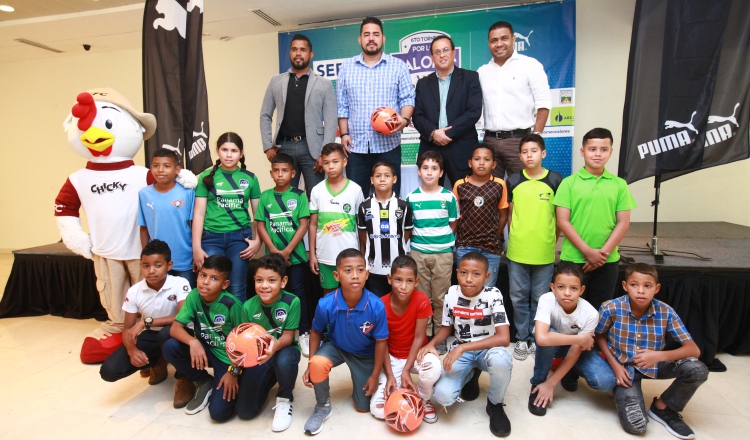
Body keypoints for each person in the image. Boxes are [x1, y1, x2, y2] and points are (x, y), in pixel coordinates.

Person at [596, 263, 708, 439]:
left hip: (655, 364)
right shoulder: (611, 308)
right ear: (625, 286)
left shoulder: (666, 312)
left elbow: (693, 349)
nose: (641, 291)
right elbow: (598, 336)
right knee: (636, 427)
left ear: (656, 289)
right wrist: (615, 366)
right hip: (626, 370)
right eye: (634, 285)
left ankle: (663, 408)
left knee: (697, 369)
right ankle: (625, 394)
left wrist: (658, 356)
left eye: (647, 286)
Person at [422, 252, 513, 437]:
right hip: (463, 350)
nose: (469, 279)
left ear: (487, 277)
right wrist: (430, 344)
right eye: (463, 272)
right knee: (443, 396)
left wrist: (463, 347)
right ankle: (471, 375)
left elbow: (504, 338)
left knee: (502, 360)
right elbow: (446, 328)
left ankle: (495, 405)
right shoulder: (452, 293)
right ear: (457, 273)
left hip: (487, 350)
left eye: (476, 274)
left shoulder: (493, 294)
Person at [302, 249, 388, 435]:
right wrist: (310, 365)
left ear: (367, 274)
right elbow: (316, 332)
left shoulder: (376, 306)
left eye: (359, 270)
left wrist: (374, 374)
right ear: (336, 275)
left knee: (363, 407)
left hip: (364, 354)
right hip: (337, 347)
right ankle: (322, 405)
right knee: (317, 363)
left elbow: (381, 342)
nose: (354, 275)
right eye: (348, 270)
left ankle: (373, 379)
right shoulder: (326, 303)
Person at [99, 240, 192, 406]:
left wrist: (145, 322)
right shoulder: (134, 291)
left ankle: (185, 376)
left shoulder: (180, 283)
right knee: (109, 371)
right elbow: (127, 328)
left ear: (169, 265)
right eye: (146, 266)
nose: (151, 271)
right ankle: (157, 361)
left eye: (158, 265)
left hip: (179, 333)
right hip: (152, 335)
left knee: (166, 333)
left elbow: (182, 316)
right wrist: (132, 350)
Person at [553, 128, 637, 313]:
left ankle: (596, 343)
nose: (598, 154)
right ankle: (572, 343)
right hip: (574, 259)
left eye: (604, 149)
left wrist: (601, 255)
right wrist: (587, 251)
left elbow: (623, 223)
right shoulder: (569, 183)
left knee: (602, 309)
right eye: (592, 149)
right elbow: (563, 221)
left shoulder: (619, 185)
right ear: (583, 151)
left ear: (611, 152)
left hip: (607, 261)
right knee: (569, 309)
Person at [337, 16, 415, 196]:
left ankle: (393, 225)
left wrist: (403, 120)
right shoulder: (347, 68)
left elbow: (408, 99)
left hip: (389, 147)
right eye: (366, 34)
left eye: (376, 34)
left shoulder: (398, 66)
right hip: (356, 147)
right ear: (360, 39)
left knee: (391, 197)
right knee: (358, 200)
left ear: (383, 38)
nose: (371, 38)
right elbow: (342, 105)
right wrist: (344, 134)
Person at [162, 255, 245, 421]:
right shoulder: (194, 296)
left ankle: (227, 385)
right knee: (170, 346)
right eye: (203, 275)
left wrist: (234, 373)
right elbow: (175, 328)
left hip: (228, 359)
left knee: (219, 414)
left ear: (225, 284)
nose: (205, 282)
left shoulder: (233, 305)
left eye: (214, 278)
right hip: (205, 350)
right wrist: (193, 342)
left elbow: (245, 346)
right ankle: (204, 381)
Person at [528, 262, 615, 416]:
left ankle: (569, 372)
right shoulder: (546, 299)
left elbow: (576, 350)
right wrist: (579, 339)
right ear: (553, 288)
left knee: (606, 382)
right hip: (556, 345)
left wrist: (552, 383)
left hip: (576, 348)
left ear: (581, 290)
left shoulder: (591, 313)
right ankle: (538, 382)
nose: (567, 293)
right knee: (549, 334)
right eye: (561, 287)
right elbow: (541, 338)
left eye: (573, 288)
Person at [505, 134, 563, 361]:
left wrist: (551, 241)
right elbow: (511, 215)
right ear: (520, 156)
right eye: (525, 152)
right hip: (518, 251)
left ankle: (535, 336)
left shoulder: (556, 181)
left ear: (543, 153)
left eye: (534, 151)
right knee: (518, 296)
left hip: (544, 252)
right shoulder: (513, 180)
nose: (529, 155)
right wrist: (516, 237)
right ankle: (521, 338)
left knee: (540, 298)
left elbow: (559, 220)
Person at [260, 34, 337, 196]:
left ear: (311, 54)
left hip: (313, 149)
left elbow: (331, 120)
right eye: (294, 49)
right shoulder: (276, 81)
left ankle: (313, 223)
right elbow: (265, 115)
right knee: (286, 197)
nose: (298, 53)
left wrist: (325, 154)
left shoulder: (324, 84)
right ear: (290, 53)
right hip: (284, 148)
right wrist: (267, 146)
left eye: (303, 50)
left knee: (316, 197)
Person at [370, 255, 441, 423]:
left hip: (415, 355)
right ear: (389, 279)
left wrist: (407, 370)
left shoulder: (421, 300)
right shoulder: (381, 304)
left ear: (416, 281)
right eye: (398, 280)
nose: (403, 287)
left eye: (409, 281)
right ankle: (401, 392)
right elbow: (383, 343)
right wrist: (390, 375)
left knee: (434, 367)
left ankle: (423, 398)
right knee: (379, 411)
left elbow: (418, 338)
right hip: (391, 358)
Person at [236, 254, 302, 432]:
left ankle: (284, 399)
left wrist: (274, 347)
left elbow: (289, 336)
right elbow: (243, 342)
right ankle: (272, 375)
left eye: (271, 280)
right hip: (259, 358)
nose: (264, 286)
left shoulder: (292, 301)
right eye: (259, 280)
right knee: (245, 411)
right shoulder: (248, 306)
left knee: (285, 359)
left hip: (283, 350)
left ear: (283, 281)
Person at [478, 20, 551, 179]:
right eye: (494, 40)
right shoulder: (482, 72)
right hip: (489, 142)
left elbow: (543, 103)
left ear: (513, 39)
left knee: (522, 188)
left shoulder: (530, 65)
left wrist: (535, 138)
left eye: (504, 38)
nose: (499, 44)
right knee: (491, 193)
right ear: (489, 44)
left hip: (519, 142)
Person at [193, 132, 261, 302]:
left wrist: (258, 241)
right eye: (224, 150)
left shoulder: (250, 178)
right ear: (217, 151)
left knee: (237, 288)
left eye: (234, 150)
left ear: (241, 153)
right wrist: (196, 247)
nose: (229, 155)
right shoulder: (206, 177)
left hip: (240, 239)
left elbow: (259, 215)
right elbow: (199, 214)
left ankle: (239, 329)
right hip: (210, 238)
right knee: (210, 288)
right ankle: (211, 327)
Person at [255, 153, 312, 356]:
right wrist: (273, 249)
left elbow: (304, 225)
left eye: (285, 170)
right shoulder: (265, 196)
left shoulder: (299, 195)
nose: (280, 175)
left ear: (293, 173)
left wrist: (286, 251)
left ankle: (303, 332)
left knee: (298, 292)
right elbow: (260, 224)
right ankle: (277, 330)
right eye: (276, 171)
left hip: (294, 257)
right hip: (272, 257)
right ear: (271, 173)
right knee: (274, 292)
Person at [406, 151, 459, 355]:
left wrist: (440, 242)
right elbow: (409, 228)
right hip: (418, 252)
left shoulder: (448, 197)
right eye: (425, 168)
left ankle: (440, 337)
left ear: (441, 172)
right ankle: (424, 336)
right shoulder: (411, 197)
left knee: (440, 297)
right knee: (422, 297)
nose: (429, 173)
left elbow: (453, 224)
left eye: (434, 168)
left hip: (443, 254)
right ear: (418, 171)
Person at [413, 34, 483, 186]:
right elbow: (417, 116)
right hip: (431, 148)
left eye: (445, 50)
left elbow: (474, 112)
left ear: (454, 53)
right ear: (432, 56)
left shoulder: (470, 77)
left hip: (461, 148)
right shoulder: (423, 84)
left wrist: (445, 134)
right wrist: (433, 133)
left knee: (466, 197)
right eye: (437, 52)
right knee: (431, 199)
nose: (442, 55)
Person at [309, 143, 364, 294]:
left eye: (335, 161)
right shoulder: (317, 190)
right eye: (326, 163)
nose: (331, 167)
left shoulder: (355, 190)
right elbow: (313, 225)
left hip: (350, 256)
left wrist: (363, 254)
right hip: (325, 255)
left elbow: (361, 226)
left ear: (344, 162)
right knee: (329, 297)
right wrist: (313, 255)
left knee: (352, 294)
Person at [453, 144, 509, 288]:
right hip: (465, 245)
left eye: (487, 159)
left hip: (490, 246)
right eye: (477, 159)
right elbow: (455, 215)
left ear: (494, 164)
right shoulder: (460, 185)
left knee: (488, 289)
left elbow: (503, 215)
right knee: (466, 286)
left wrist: (495, 235)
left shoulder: (499, 184)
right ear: (470, 163)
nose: (482, 163)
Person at [138, 148, 196, 288]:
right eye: (156, 166)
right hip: (157, 261)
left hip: (185, 259)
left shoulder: (188, 193)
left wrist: (196, 252)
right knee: (161, 301)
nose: (160, 170)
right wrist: (146, 256)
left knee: (187, 301)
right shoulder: (144, 194)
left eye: (166, 166)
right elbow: (143, 227)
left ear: (177, 170)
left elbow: (195, 225)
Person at [357, 161, 413, 297]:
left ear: (394, 179)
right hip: (373, 267)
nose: (382, 179)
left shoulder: (403, 205)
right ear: (371, 180)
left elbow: (406, 232)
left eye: (387, 176)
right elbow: (363, 235)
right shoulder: (365, 206)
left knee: (397, 303)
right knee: (377, 303)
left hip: (398, 267)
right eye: (378, 176)